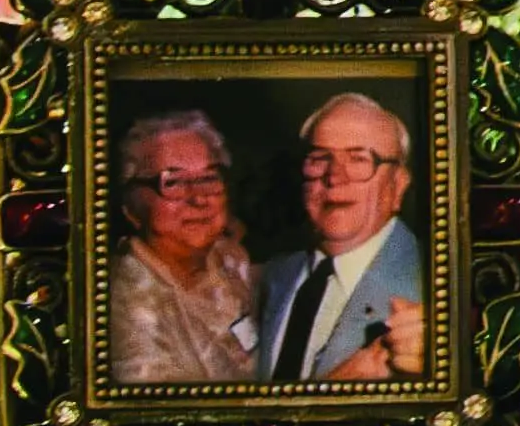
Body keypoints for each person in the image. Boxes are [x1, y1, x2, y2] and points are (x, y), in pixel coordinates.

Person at [254, 90, 423, 386]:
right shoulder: (273, 277)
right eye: (320, 158)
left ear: (398, 185)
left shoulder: (437, 291)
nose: (334, 177)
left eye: (359, 159)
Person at [110, 104, 262, 384]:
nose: (199, 198)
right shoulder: (124, 305)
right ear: (131, 208)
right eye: (173, 182)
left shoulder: (230, 259)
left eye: (208, 178)